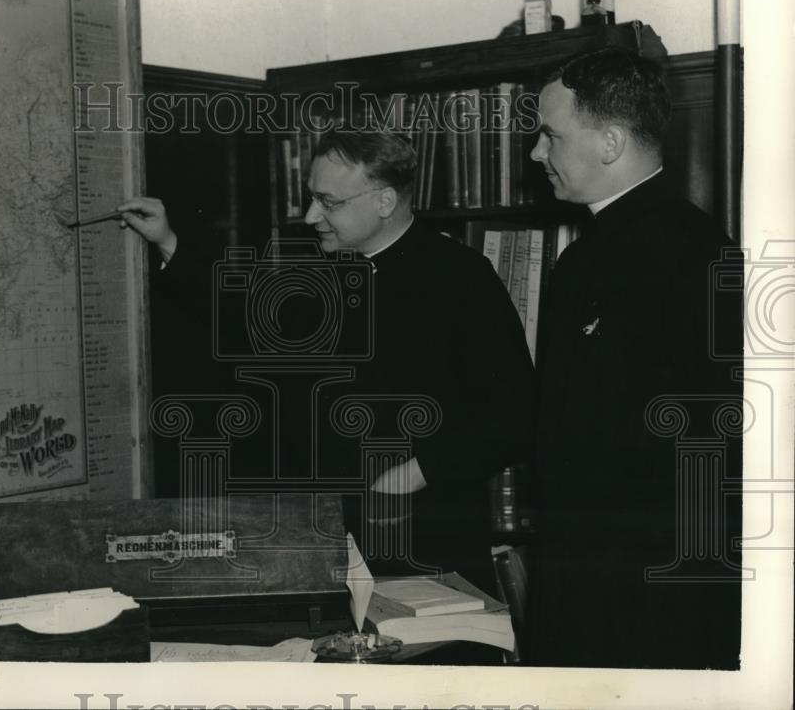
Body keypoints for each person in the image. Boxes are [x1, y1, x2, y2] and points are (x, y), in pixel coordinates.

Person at [120, 129, 536, 600]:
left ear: (384, 201)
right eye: (312, 199)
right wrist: (169, 240)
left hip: (425, 539)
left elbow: (514, 415)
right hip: (320, 540)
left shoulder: (463, 278)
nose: (311, 215)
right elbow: (242, 321)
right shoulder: (322, 271)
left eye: (328, 202)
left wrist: (417, 472)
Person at [529, 48, 743, 669]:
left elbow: (714, 454)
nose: (538, 154)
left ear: (611, 142)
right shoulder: (580, 260)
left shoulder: (699, 256)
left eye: (550, 135)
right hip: (582, 580)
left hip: (652, 599)